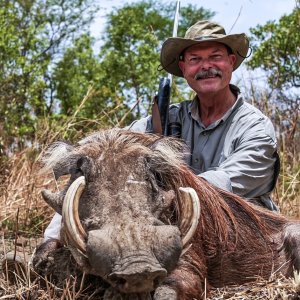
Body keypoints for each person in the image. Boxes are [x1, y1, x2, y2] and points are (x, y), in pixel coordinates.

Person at [44, 20, 279, 243]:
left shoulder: (255, 127)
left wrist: (160, 190)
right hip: (175, 225)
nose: (206, 66)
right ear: (183, 67)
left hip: (239, 233)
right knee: (96, 172)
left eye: (215, 57)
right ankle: (50, 247)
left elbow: (225, 183)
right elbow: (108, 148)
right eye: (195, 59)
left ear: (231, 61)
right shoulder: (169, 116)